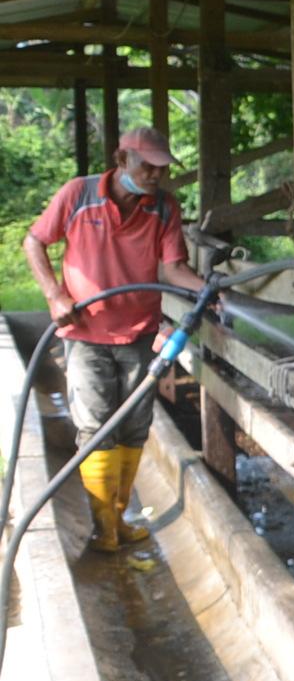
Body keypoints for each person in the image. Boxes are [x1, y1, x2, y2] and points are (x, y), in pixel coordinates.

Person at [22, 126, 204, 551]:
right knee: (96, 427)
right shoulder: (79, 195)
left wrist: (210, 291)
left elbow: (174, 268)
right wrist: (55, 295)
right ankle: (103, 527)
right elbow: (34, 240)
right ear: (121, 160)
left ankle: (117, 519)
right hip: (86, 333)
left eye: (162, 168)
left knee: (134, 426)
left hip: (139, 333)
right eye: (147, 166)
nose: (156, 175)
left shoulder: (164, 207)